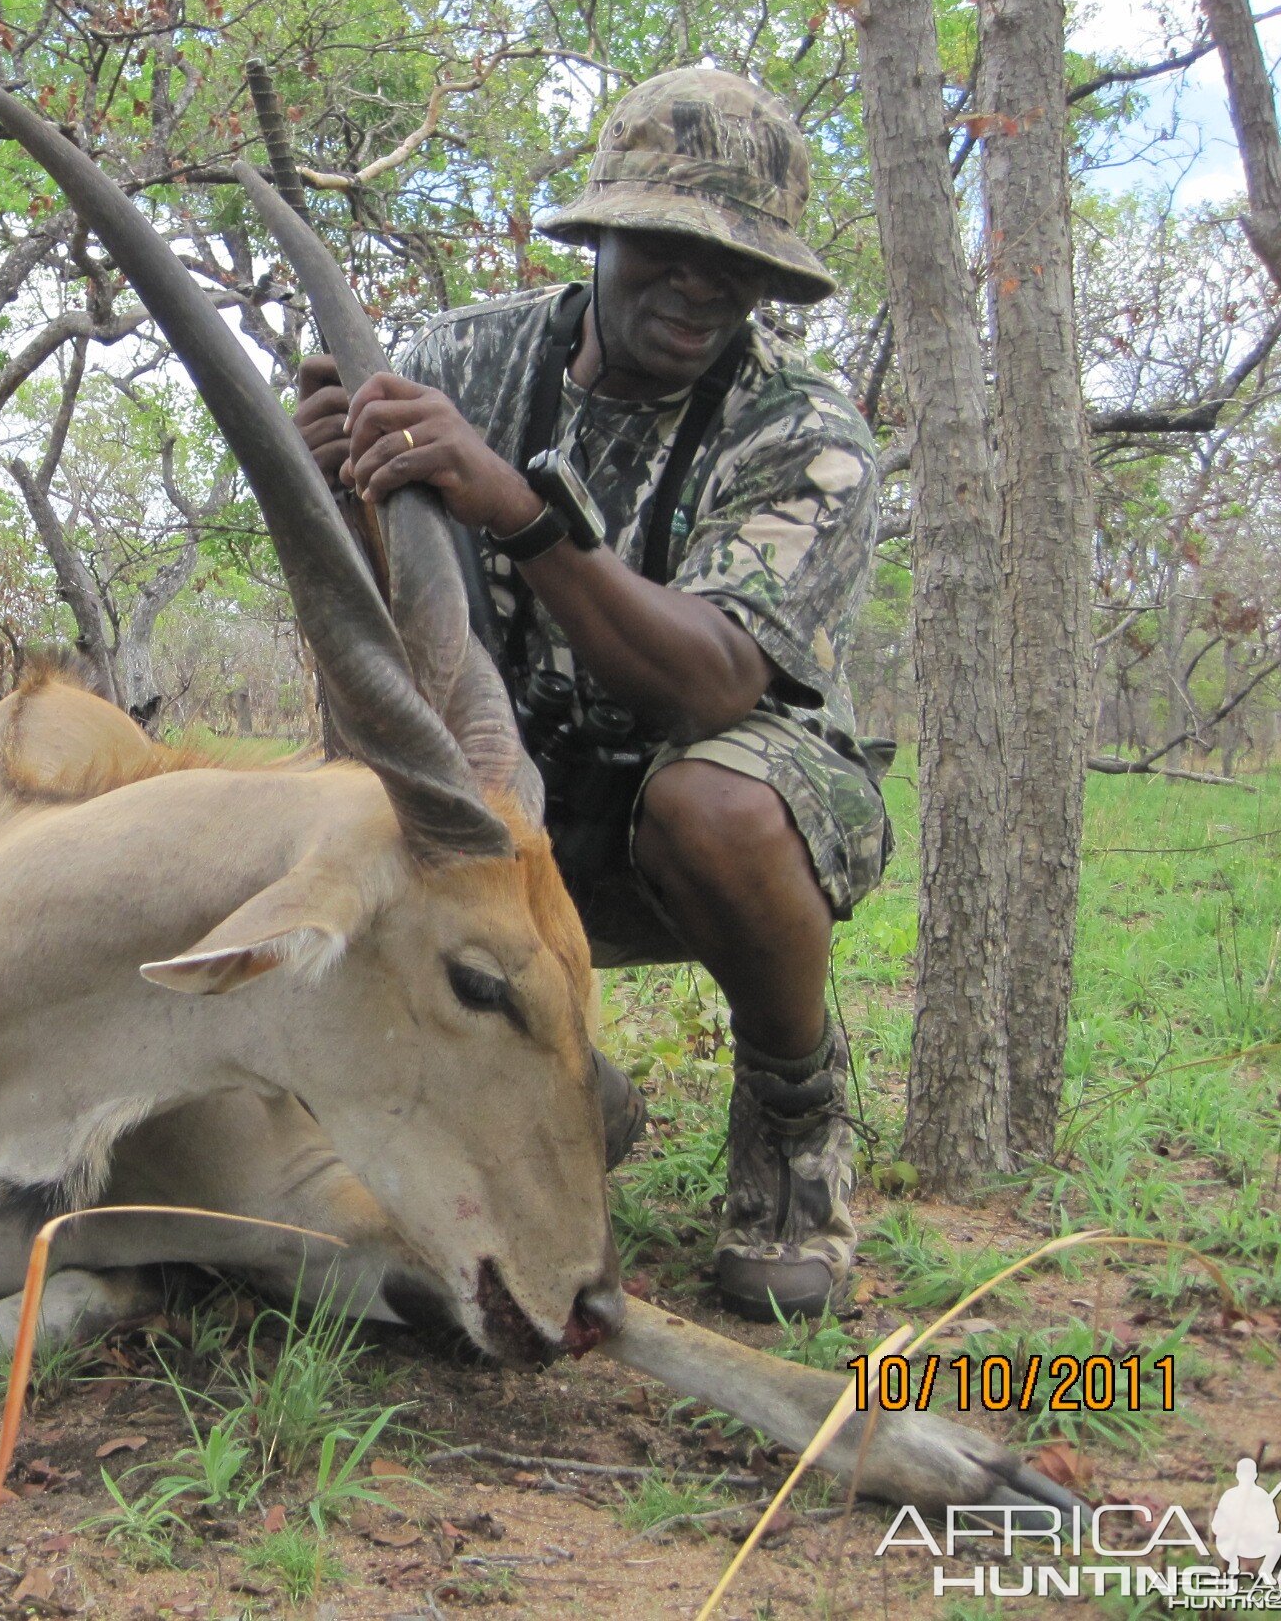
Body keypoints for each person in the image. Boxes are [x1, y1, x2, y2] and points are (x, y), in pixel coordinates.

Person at [293, 68, 890, 1321]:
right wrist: (333, 487)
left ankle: (793, 1112)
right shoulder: (459, 359)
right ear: (602, 235)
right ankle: (562, 1087)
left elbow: (716, 687)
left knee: (714, 806)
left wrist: (518, 511)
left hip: (706, 798)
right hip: (511, 799)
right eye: (667, 246)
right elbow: (383, 624)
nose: (698, 284)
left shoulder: (801, 424)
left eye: (738, 266)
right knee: (332, 822)